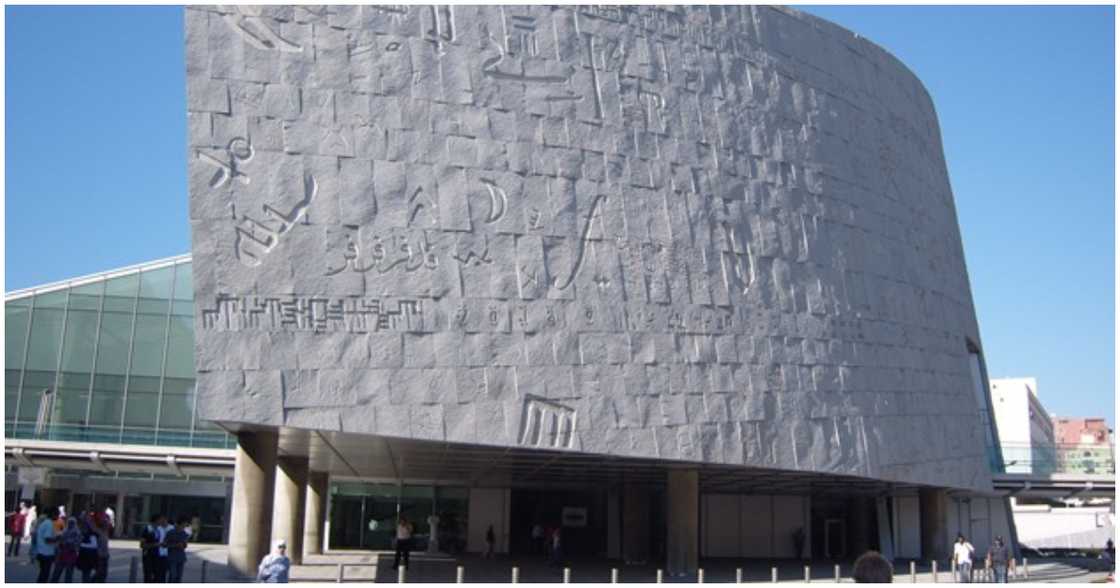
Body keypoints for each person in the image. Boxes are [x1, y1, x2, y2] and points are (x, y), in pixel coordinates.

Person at [51, 517, 82, 583]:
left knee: (68, 574)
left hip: (71, 554)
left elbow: (78, 543)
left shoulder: (77, 532)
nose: (70, 524)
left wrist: (68, 543)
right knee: (57, 572)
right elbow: (59, 542)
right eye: (69, 522)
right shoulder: (64, 531)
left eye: (72, 523)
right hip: (62, 554)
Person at [34, 507, 59, 583]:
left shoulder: (44, 523)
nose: (58, 517)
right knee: (44, 575)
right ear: (52, 514)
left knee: (43, 574)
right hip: (46, 553)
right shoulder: (49, 524)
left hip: (41, 552)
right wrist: (58, 538)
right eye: (57, 514)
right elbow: (47, 539)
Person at [165, 517, 191, 582]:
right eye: (185, 523)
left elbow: (185, 545)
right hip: (172, 557)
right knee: (173, 575)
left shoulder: (184, 533)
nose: (186, 525)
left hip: (181, 557)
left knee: (179, 577)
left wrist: (183, 545)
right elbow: (164, 544)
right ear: (182, 523)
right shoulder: (170, 532)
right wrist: (175, 545)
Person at [77, 517, 100, 582]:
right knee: (85, 574)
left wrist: (81, 545)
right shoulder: (84, 534)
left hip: (89, 557)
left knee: (87, 574)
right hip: (84, 556)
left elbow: (94, 545)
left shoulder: (92, 535)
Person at [140, 514, 162, 582]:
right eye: (160, 520)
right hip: (148, 555)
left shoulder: (158, 530)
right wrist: (154, 545)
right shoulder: (147, 529)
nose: (161, 522)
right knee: (148, 574)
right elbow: (142, 545)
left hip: (156, 554)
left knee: (157, 574)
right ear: (156, 521)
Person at [92, 513, 111, 582]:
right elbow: (92, 526)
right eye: (105, 524)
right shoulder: (98, 532)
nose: (107, 525)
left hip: (105, 555)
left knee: (104, 574)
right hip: (100, 555)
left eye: (107, 524)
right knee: (99, 573)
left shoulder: (106, 533)